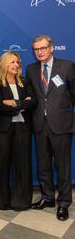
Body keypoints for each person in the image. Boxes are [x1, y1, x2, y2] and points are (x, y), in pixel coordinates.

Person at [26, 35, 75, 221]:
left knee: (62, 166)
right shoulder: (31, 69)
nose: (40, 52)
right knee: (43, 165)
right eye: (36, 49)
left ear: (51, 48)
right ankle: (47, 197)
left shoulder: (67, 66)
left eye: (43, 48)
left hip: (61, 124)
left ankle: (63, 203)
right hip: (39, 124)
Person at [0, 51, 36, 211]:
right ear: (4, 64)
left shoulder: (24, 81)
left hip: (22, 128)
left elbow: (33, 102)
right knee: (1, 164)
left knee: (22, 164)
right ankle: (0, 200)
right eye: (12, 62)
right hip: (2, 129)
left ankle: (20, 201)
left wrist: (13, 103)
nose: (16, 65)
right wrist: (21, 104)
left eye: (17, 62)